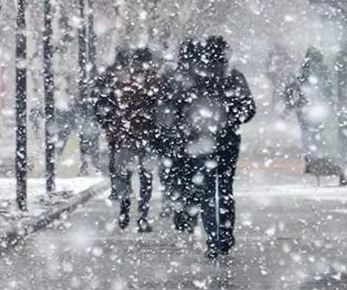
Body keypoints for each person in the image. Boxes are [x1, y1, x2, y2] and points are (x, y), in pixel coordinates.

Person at [174, 36, 255, 258]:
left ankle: (212, 238)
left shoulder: (194, 78)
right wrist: (232, 120)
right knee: (225, 189)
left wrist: (190, 128)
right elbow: (249, 108)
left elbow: (179, 108)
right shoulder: (233, 76)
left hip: (202, 141)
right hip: (228, 140)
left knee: (208, 191)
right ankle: (225, 235)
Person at [95, 46, 159, 231]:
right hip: (146, 136)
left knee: (124, 175)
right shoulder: (154, 81)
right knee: (146, 179)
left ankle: (124, 209)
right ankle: (142, 216)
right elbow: (161, 110)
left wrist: (109, 125)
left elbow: (104, 104)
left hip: (125, 136)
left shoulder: (121, 80)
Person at [156, 39, 203, 232]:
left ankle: (179, 210)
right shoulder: (202, 78)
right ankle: (191, 212)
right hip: (194, 137)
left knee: (176, 175)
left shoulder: (171, 78)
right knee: (194, 175)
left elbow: (162, 106)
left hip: (174, 136)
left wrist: (162, 132)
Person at [283, 47, 339, 178]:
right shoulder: (323, 69)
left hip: (304, 106)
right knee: (316, 130)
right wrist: (329, 102)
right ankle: (317, 155)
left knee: (306, 131)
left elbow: (291, 87)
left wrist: (291, 104)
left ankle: (310, 158)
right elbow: (328, 88)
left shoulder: (301, 70)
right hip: (318, 106)